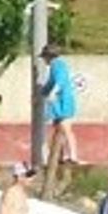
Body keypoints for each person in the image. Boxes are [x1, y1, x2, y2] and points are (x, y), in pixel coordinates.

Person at [33, 41, 79, 177]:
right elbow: (49, 84)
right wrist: (40, 94)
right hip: (58, 104)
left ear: (49, 56)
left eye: (45, 57)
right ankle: (62, 156)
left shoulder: (58, 65)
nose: (44, 60)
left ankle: (73, 156)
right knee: (59, 129)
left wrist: (52, 93)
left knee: (66, 129)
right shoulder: (54, 66)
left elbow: (60, 81)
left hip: (63, 102)